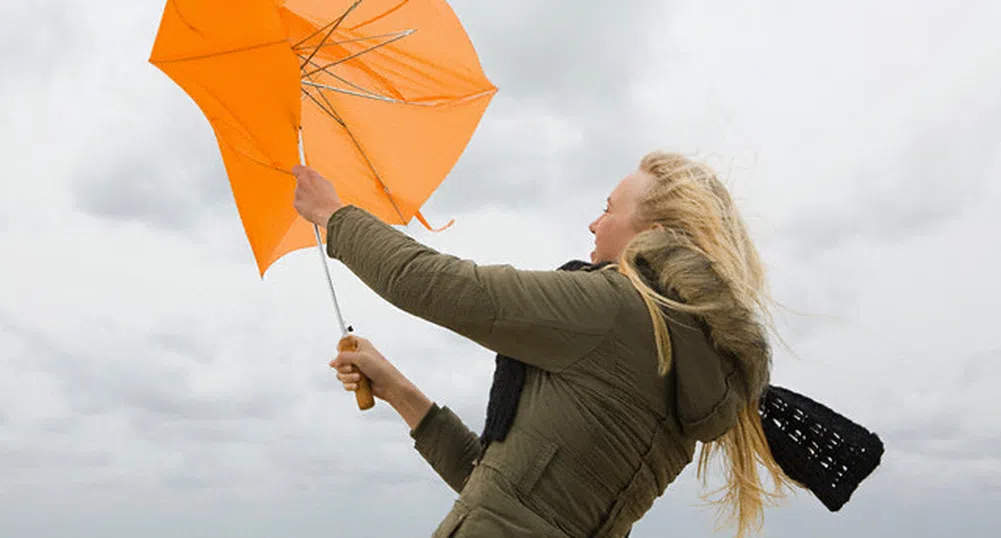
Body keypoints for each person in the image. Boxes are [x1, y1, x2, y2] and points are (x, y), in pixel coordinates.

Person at [291, 151, 794, 538]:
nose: (594, 224)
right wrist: (399, 391)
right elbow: (503, 496)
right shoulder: (686, 357)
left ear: (654, 235)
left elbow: (442, 286)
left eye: (608, 209)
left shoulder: (618, 310)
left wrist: (334, 215)